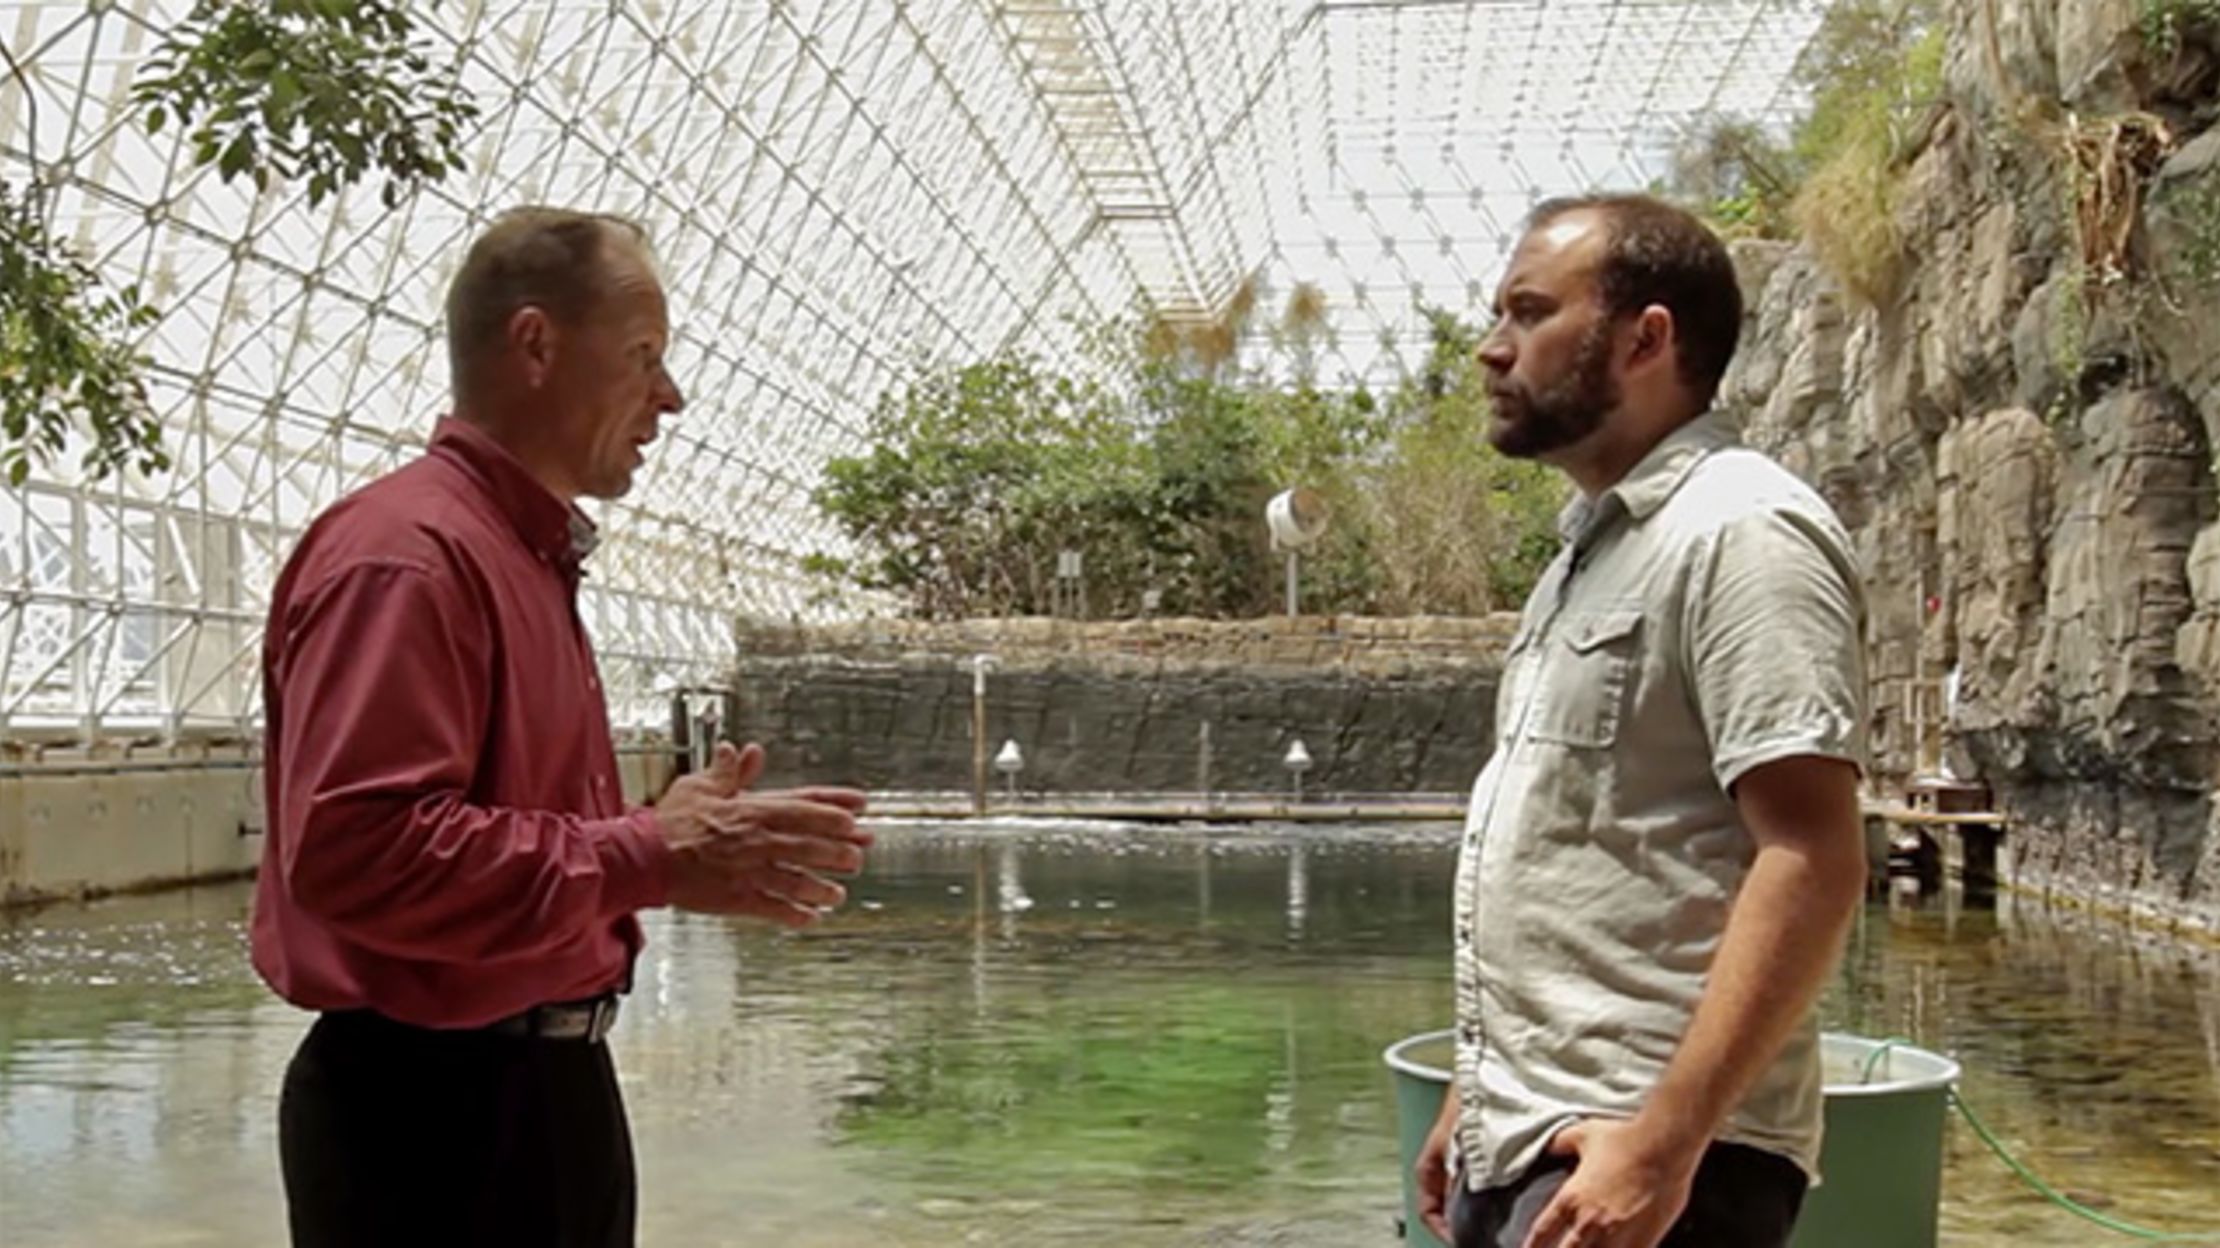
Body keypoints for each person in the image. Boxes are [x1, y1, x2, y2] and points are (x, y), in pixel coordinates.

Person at [252, 206, 873, 1248]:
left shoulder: (517, 557)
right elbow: (360, 851)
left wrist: (655, 837)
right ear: (536, 344)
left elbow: (489, 827)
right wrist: (644, 853)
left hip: (530, 1093)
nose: (668, 398)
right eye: (642, 358)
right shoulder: (409, 560)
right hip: (438, 1124)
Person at [1413, 194, 1870, 1248]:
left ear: (1646, 338)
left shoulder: (1743, 530)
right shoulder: (1592, 553)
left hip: (1648, 1160)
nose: (1492, 349)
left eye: (1530, 313)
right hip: (1535, 1136)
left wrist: (1665, 1148)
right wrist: (1473, 1095)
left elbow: (1812, 854)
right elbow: (1589, 851)